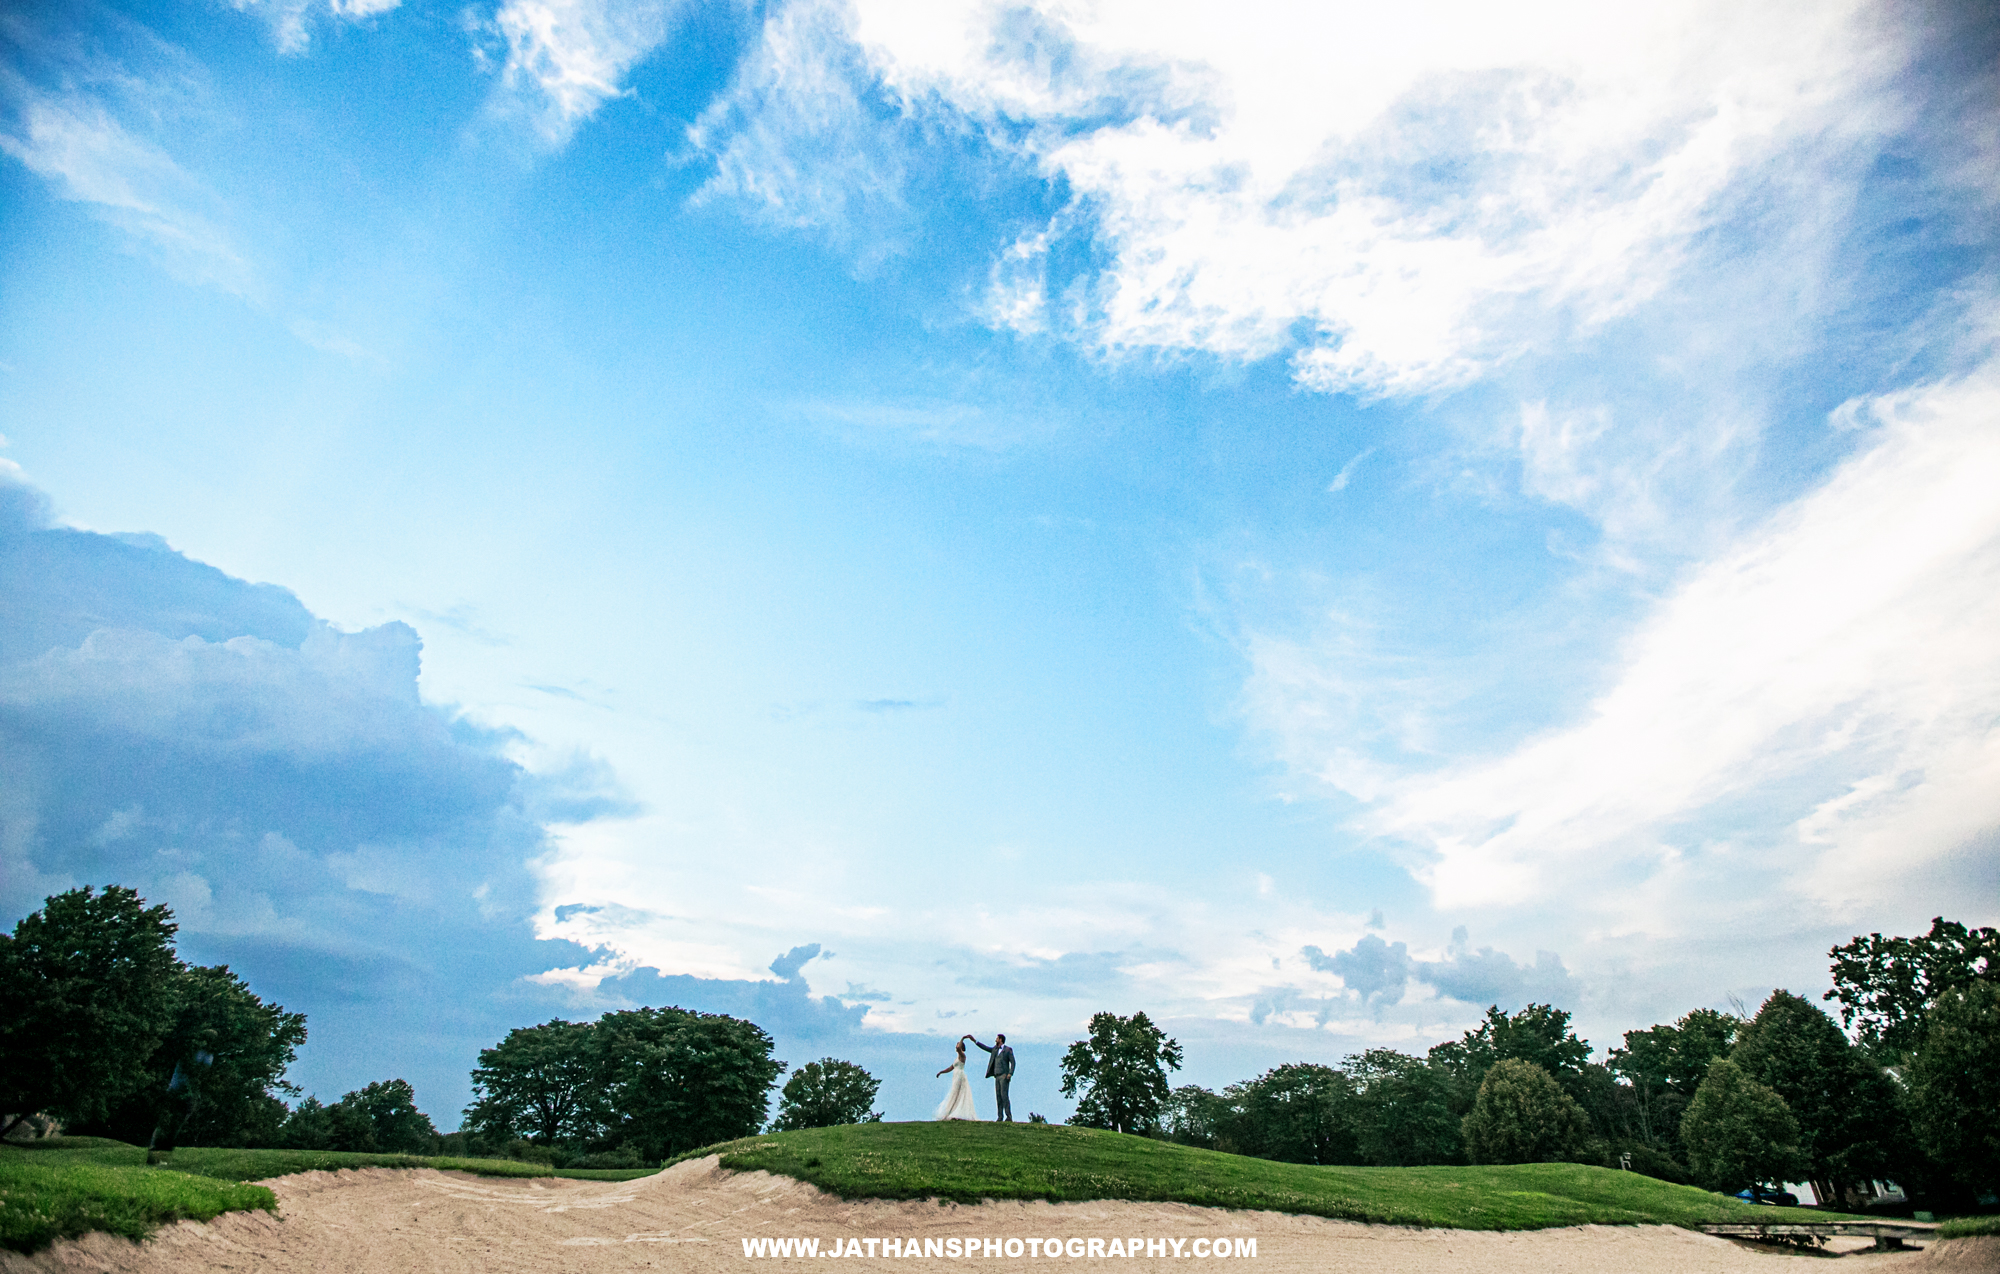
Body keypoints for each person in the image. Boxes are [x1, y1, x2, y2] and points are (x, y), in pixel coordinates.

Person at [969, 1033, 1014, 1122]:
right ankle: (1000, 1117)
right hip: (996, 1076)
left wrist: (1010, 1073)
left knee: (1004, 1096)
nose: (995, 1040)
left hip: (1004, 1075)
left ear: (1001, 1040)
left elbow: (1013, 1062)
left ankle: (1008, 1116)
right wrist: (975, 1041)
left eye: (997, 1038)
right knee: (998, 1097)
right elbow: (985, 1048)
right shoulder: (994, 1049)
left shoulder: (1008, 1050)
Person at [934, 1036, 979, 1120]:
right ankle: (951, 1111)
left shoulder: (962, 1056)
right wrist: (941, 1072)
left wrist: (963, 1038)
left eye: (958, 1044)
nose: (956, 1045)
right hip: (955, 1076)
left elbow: (958, 1048)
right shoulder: (957, 1058)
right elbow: (950, 1068)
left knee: (956, 1092)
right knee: (954, 1092)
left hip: (959, 1076)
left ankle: (953, 1112)